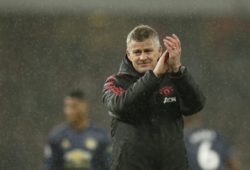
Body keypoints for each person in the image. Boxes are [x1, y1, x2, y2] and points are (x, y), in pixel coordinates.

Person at [102, 25, 206, 170]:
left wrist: (178, 71)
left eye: (148, 51)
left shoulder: (175, 78)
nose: (143, 57)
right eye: (137, 52)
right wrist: (154, 76)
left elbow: (196, 105)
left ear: (159, 51)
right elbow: (120, 107)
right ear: (128, 54)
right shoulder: (115, 82)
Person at [44, 90, 111, 170]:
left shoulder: (101, 136)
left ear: (85, 106)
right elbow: (50, 166)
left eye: (74, 106)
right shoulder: (57, 136)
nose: (69, 111)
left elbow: (108, 165)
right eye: (67, 106)